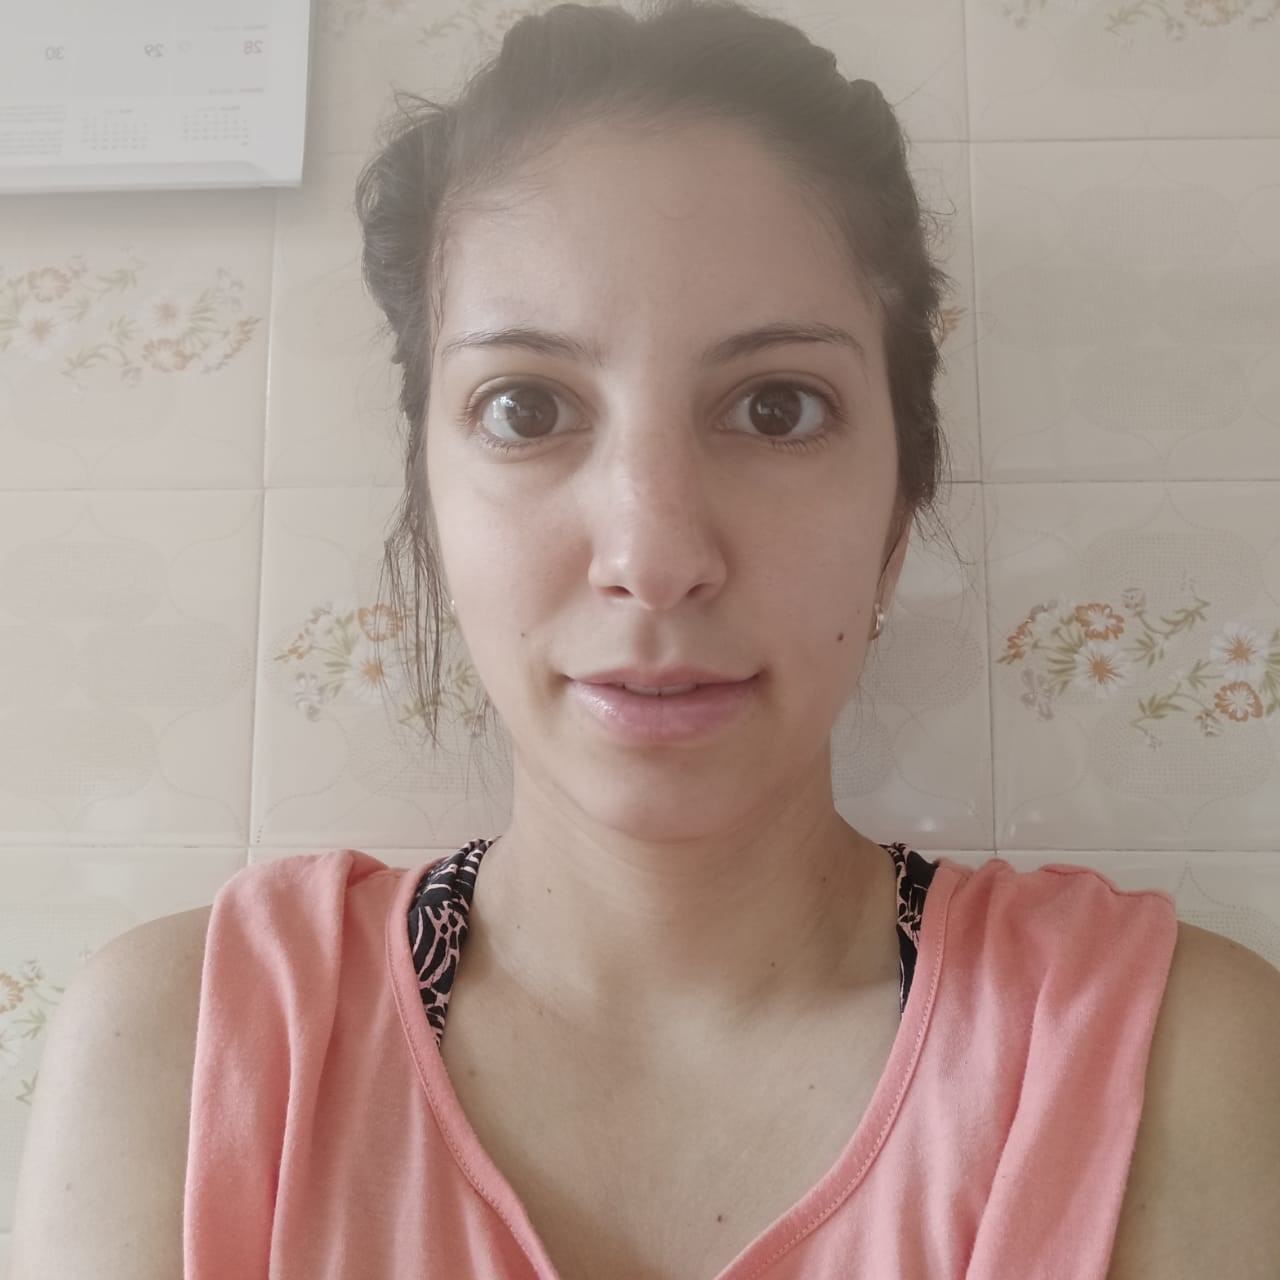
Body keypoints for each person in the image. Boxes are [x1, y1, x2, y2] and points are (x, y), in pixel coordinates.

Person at [10, 1, 1280, 1277]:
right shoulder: (182, 1052)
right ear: (432, 505)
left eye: (775, 408)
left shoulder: (1170, 1056)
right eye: (526, 407)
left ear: (896, 514)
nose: (653, 552)